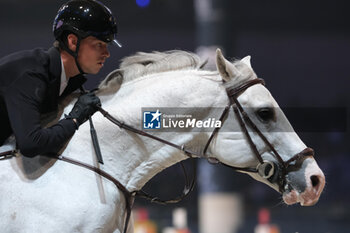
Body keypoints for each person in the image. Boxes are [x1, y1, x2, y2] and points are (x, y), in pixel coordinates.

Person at [0, 0, 121, 157]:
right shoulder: (31, 74)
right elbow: (31, 143)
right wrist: (74, 119)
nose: (107, 53)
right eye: (99, 44)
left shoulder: (66, 79)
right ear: (73, 42)